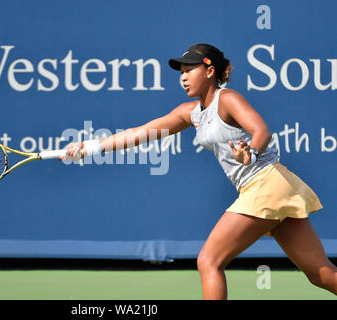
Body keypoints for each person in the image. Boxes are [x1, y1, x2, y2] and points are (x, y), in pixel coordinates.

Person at [59, 43, 337, 300]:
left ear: (210, 70)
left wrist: (250, 152)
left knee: (209, 261)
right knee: (321, 274)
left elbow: (261, 129)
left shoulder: (228, 99)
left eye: (190, 70)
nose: (183, 77)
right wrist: (88, 147)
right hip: (275, 187)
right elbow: (141, 133)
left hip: (266, 182)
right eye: (181, 72)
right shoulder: (189, 113)